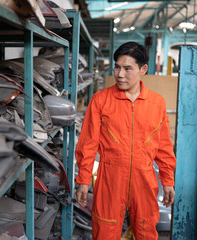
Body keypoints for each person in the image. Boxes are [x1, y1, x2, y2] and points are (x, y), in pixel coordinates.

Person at [75, 41, 176, 240]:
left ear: (143, 69)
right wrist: (83, 180)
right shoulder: (101, 100)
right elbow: (88, 144)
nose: (120, 74)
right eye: (117, 67)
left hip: (145, 179)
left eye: (127, 69)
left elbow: (163, 145)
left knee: (146, 231)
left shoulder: (156, 103)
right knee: (104, 231)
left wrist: (168, 180)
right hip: (109, 179)